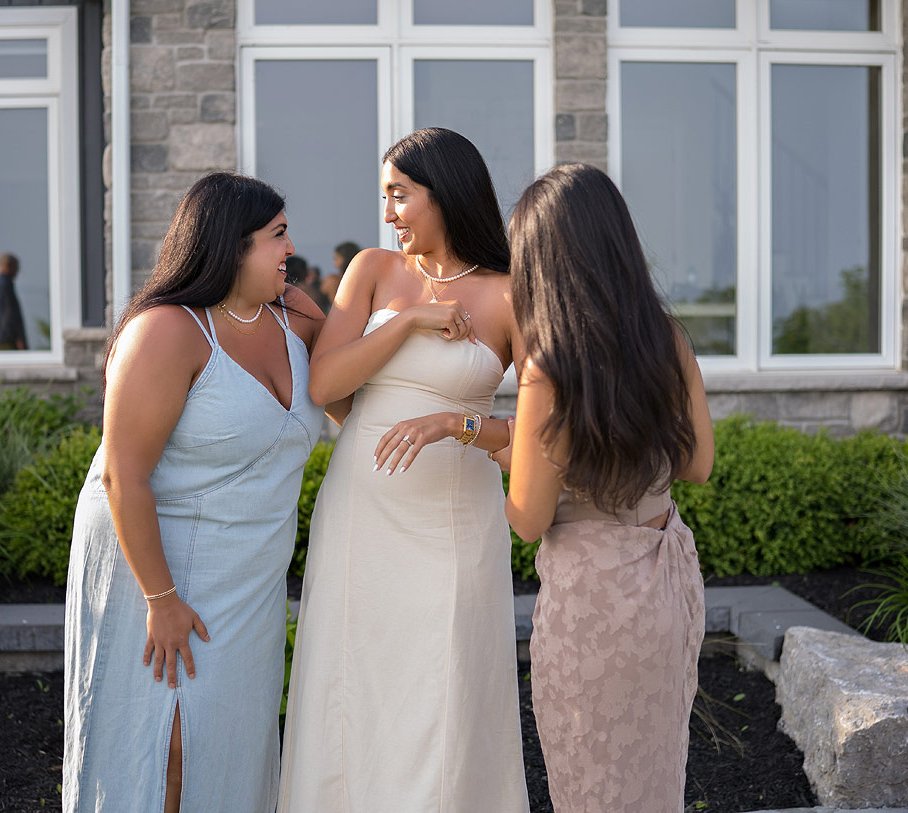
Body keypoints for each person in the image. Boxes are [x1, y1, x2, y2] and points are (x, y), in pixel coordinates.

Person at [278, 128, 529, 812]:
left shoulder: (513, 295)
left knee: (443, 689)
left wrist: (461, 423)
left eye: (400, 194)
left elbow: (542, 428)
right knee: (353, 682)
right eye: (385, 195)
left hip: (455, 519)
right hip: (363, 510)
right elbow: (325, 383)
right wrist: (412, 320)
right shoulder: (372, 272)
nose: (389, 212)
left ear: (444, 192)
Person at [63, 172, 329, 813]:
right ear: (231, 246)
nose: (290, 248)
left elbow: (361, 394)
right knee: (166, 746)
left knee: (234, 741)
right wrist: (161, 599)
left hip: (249, 574)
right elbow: (122, 476)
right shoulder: (167, 331)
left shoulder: (299, 315)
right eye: (278, 236)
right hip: (155, 566)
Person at [496, 163, 715, 813]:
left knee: (591, 786)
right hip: (665, 586)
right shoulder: (665, 339)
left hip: (592, 602)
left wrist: (494, 459)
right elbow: (697, 463)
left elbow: (529, 519)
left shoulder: (549, 369)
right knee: (654, 784)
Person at [0, 252, 27, 350]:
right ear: (8, 266)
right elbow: (8, 314)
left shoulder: (0, 284)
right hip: (6, 341)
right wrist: (18, 338)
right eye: (16, 267)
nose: (18, 270)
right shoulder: (4, 285)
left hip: (0, 339)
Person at [319, 239, 359, 305]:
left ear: (345, 258)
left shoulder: (333, 281)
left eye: (336, 259)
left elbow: (338, 307)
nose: (334, 263)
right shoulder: (364, 282)